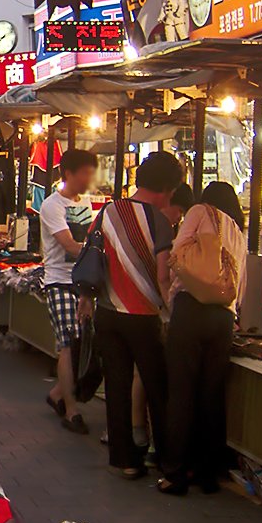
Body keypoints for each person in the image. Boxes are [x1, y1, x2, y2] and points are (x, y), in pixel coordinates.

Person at [88, 150, 183, 479]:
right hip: (143, 316)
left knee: (117, 385)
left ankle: (125, 461)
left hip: (107, 312)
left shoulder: (108, 211)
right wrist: (169, 307)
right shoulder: (159, 220)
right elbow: (164, 274)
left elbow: (91, 257)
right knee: (158, 389)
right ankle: (168, 463)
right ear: (167, 188)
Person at [159, 182, 248, 495]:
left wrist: (170, 297)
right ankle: (208, 474)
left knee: (181, 393)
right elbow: (241, 282)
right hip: (223, 316)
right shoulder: (237, 230)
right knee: (211, 395)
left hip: (191, 309)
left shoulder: (199, 212)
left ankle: (176, 474)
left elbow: (176, 255)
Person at [39, 150, 97, 435]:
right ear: (68, 174)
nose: (89, 178)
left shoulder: (85, 203)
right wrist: (101, 255)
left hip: (82, 284)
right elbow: (71, 245)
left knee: (82, 345)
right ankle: (71, 409)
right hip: (59, 282)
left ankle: (57, 394)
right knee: (68, 344)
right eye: (85, 172)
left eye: (91, 172)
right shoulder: (52, 205)